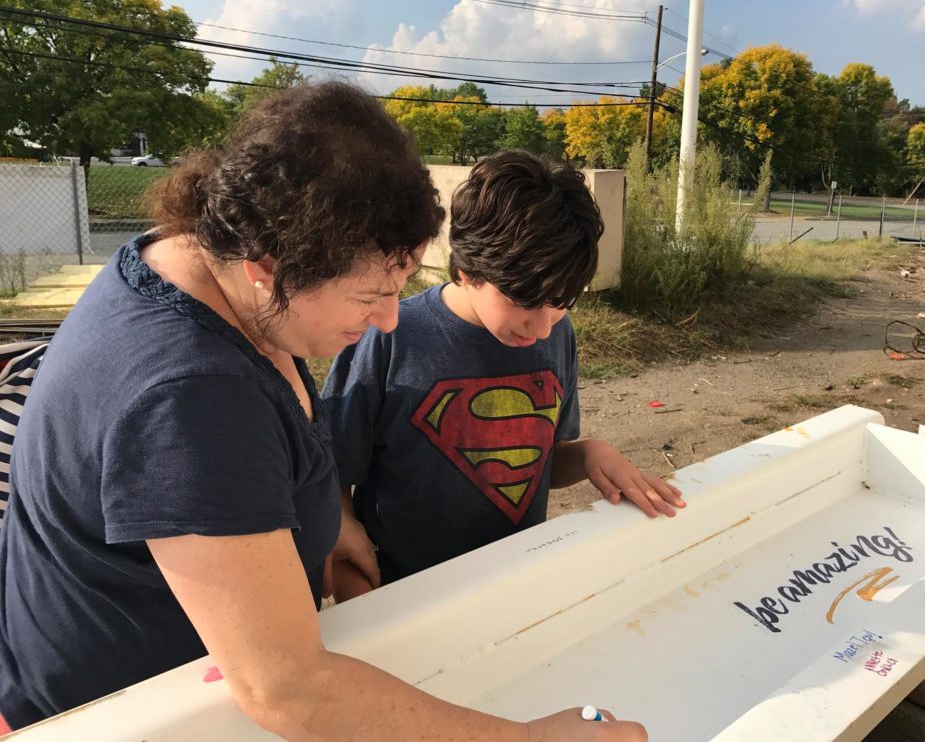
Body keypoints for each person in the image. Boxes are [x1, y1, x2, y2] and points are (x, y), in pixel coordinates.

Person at [0, 83, 646, 741]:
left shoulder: (197, 258)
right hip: (125, 717)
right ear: (269, 265)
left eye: (400, 287)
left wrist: (325, 522)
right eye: (369, 296)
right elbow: (288, 688)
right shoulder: (191, 394)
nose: (389, 318)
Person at [322, 150, 685, 592]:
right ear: (466, 270)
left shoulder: (557, 333)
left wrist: (589, 454)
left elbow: (536, 462)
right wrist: (358, 587)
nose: (542, 326)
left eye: (561, 302)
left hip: (517, 585)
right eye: (524, 302)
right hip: (406, 594)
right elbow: (333, 474)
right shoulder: (391, 335)